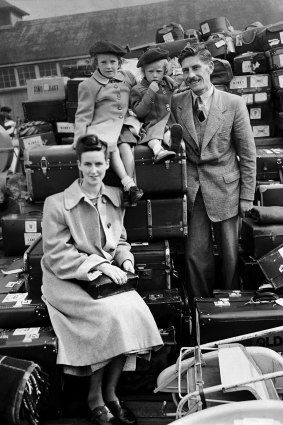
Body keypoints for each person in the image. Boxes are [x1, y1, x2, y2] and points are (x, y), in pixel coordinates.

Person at [41, 134, 163, 425]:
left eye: (99, 163)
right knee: (109, 318)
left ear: (108, 163)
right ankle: (94, 396)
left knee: (134, 311)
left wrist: (126, 260)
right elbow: (58, 255)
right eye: (88, 164)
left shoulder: (113, 195)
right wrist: (102, 266)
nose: (94, 170)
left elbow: (120, 240)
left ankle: (111, 391)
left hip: (103, 280)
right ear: (79, 166)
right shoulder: (56, 204)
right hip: (68, 280)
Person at [171, 45, 256, 299]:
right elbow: (170, 139)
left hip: (227, 189)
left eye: (196, 67)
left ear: (210, 67)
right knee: (196, 255)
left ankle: (230, 306)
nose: (191, 75)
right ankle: (203, 308)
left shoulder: (233, 104)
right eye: (186, 70)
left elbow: (248, 154)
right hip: (193, 190)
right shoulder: (177, 102)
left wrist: (247, 197)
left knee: (230, 254)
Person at [74, 40, 143, 206]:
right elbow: (82, 115)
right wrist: (79, 140)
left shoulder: (127, 77)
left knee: (127, 147)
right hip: (101, 126)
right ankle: (128, 184)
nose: (109, 66)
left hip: (125, 123)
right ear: (95, 64)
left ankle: (130, 187)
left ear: (119, 63)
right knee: (111, 148)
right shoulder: (88, 85)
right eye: (103, 62)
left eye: (113, 62)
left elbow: (139, 92)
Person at [130, 48, 183, 163]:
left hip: (168, 123)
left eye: (159, 72)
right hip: (150, 124)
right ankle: (158, 151)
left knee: (169, 134)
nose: (154, 75)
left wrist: (168, 79)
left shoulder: (166, 84)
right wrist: (150, 92)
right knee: (153, 137)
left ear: (164, 72)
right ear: (144, 72)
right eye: (150, 71)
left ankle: (173, 146)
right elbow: (139, 112)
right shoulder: (138, 89)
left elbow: (177, 88)